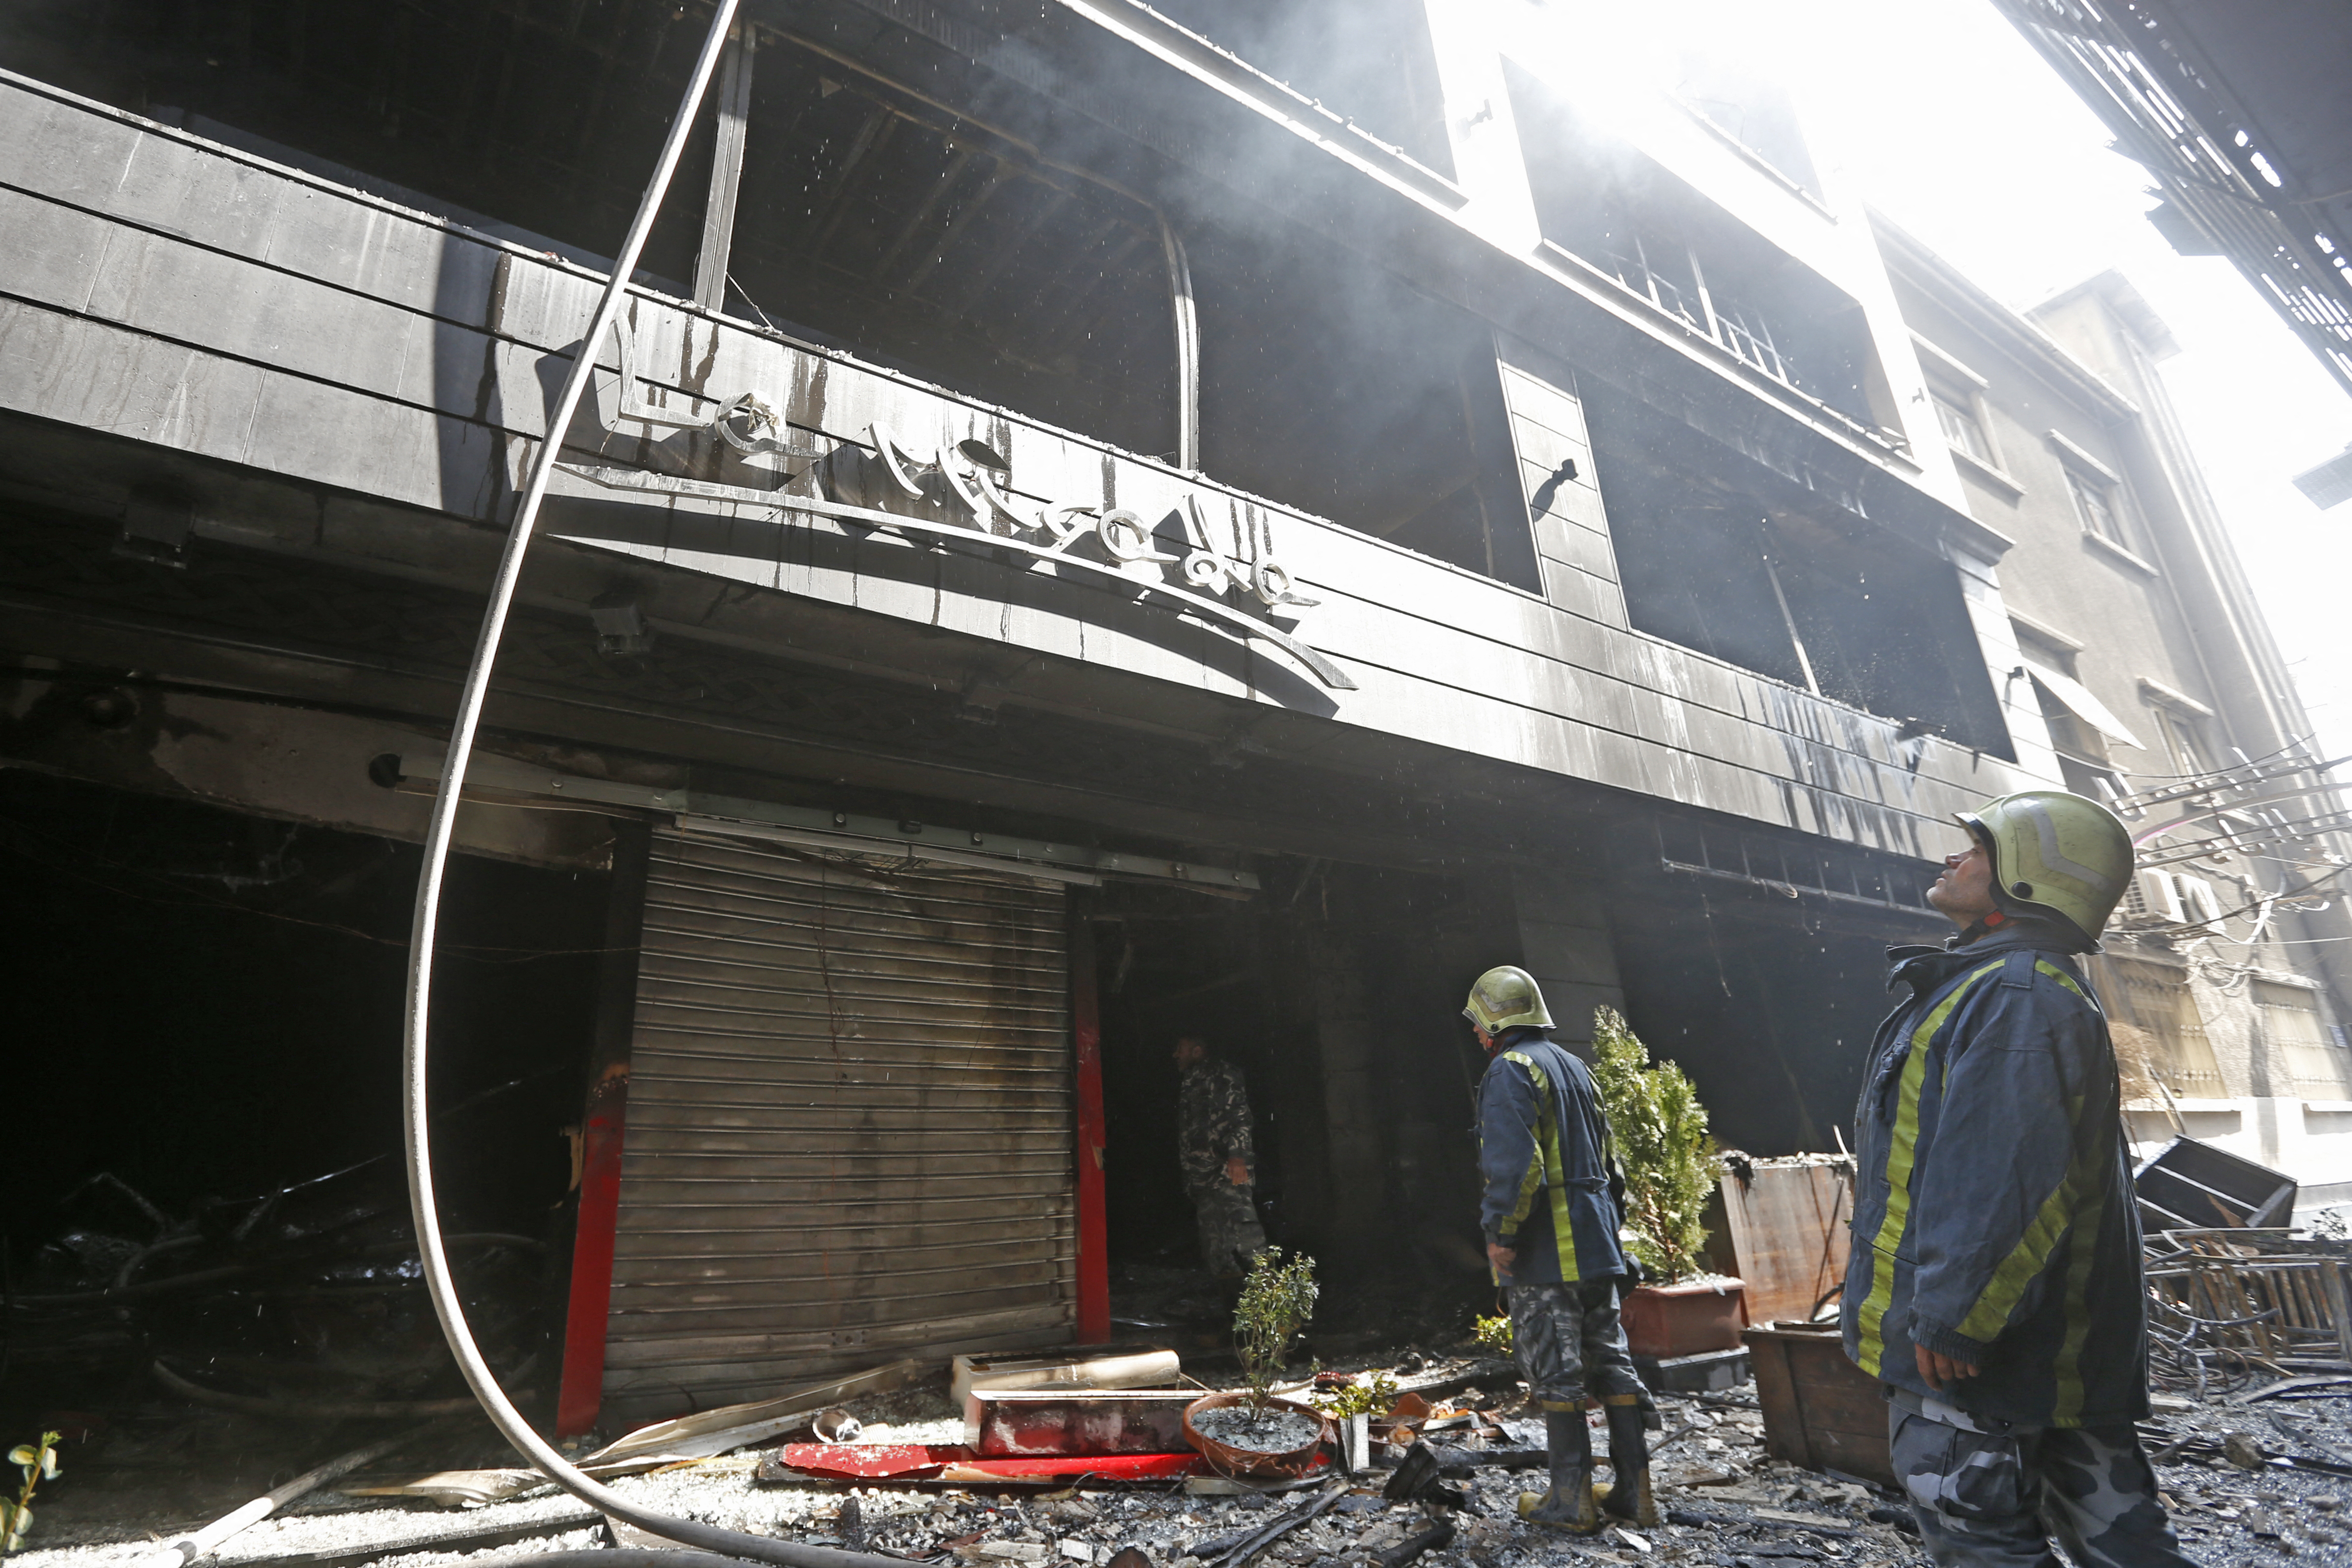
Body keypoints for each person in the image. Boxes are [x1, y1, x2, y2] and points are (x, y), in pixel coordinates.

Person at [1842, 790, 2192, 1568]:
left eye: (1973, 847)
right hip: (2045, 1357)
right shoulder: (1995, 983)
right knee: (2121, 1540)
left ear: (2026, 878)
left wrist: (1952, 1314)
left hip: (1980, 1355)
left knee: (1978, 1538)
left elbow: (2002, 1173)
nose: (1949, 857)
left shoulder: (2014, 993)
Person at [1468, 965, 1653, 1533]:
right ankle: (1634, 1495)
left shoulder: (1510, 1070)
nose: (1477, 1034)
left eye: (1478, 1023)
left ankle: (1571, 1501)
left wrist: (1501, 1234)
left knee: (1558, 1374)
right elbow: (1612, 1166)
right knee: (1612, 1361)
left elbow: (1515, 1165)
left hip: (1550, 1251)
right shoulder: (1575, 1067)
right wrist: (1611, 1229)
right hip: (1600, 1245)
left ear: (1496, 1021)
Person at [1173, 1035, 1268, 1279]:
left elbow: (1240, 1117)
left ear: (1197, 1051)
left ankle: (1274, 1307)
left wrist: (1238, 1156)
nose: (1176, 1055)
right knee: (1216, 1250)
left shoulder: (1222, 1073)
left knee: (1249, 1238)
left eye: (1180, 1050)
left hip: (1227, 1170)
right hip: (1202, 1177)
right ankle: (1237, 1311)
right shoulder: (1190, 1081)